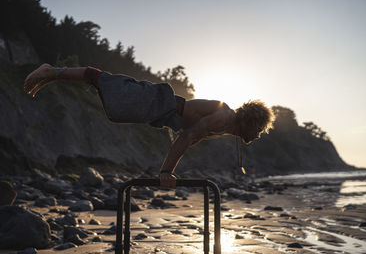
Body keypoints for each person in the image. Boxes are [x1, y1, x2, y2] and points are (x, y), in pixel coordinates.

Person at [24, 64, 275, 188]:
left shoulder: (226, 126)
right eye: (259, 129)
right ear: (250, 122)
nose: (258, 135)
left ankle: (52, 75)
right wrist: (166, 171)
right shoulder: (224, 117)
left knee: (110, 94)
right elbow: (187, 137)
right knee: (105, 83)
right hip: (158, 103)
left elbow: (192, 135)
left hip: (158, 110)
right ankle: (52, 71)